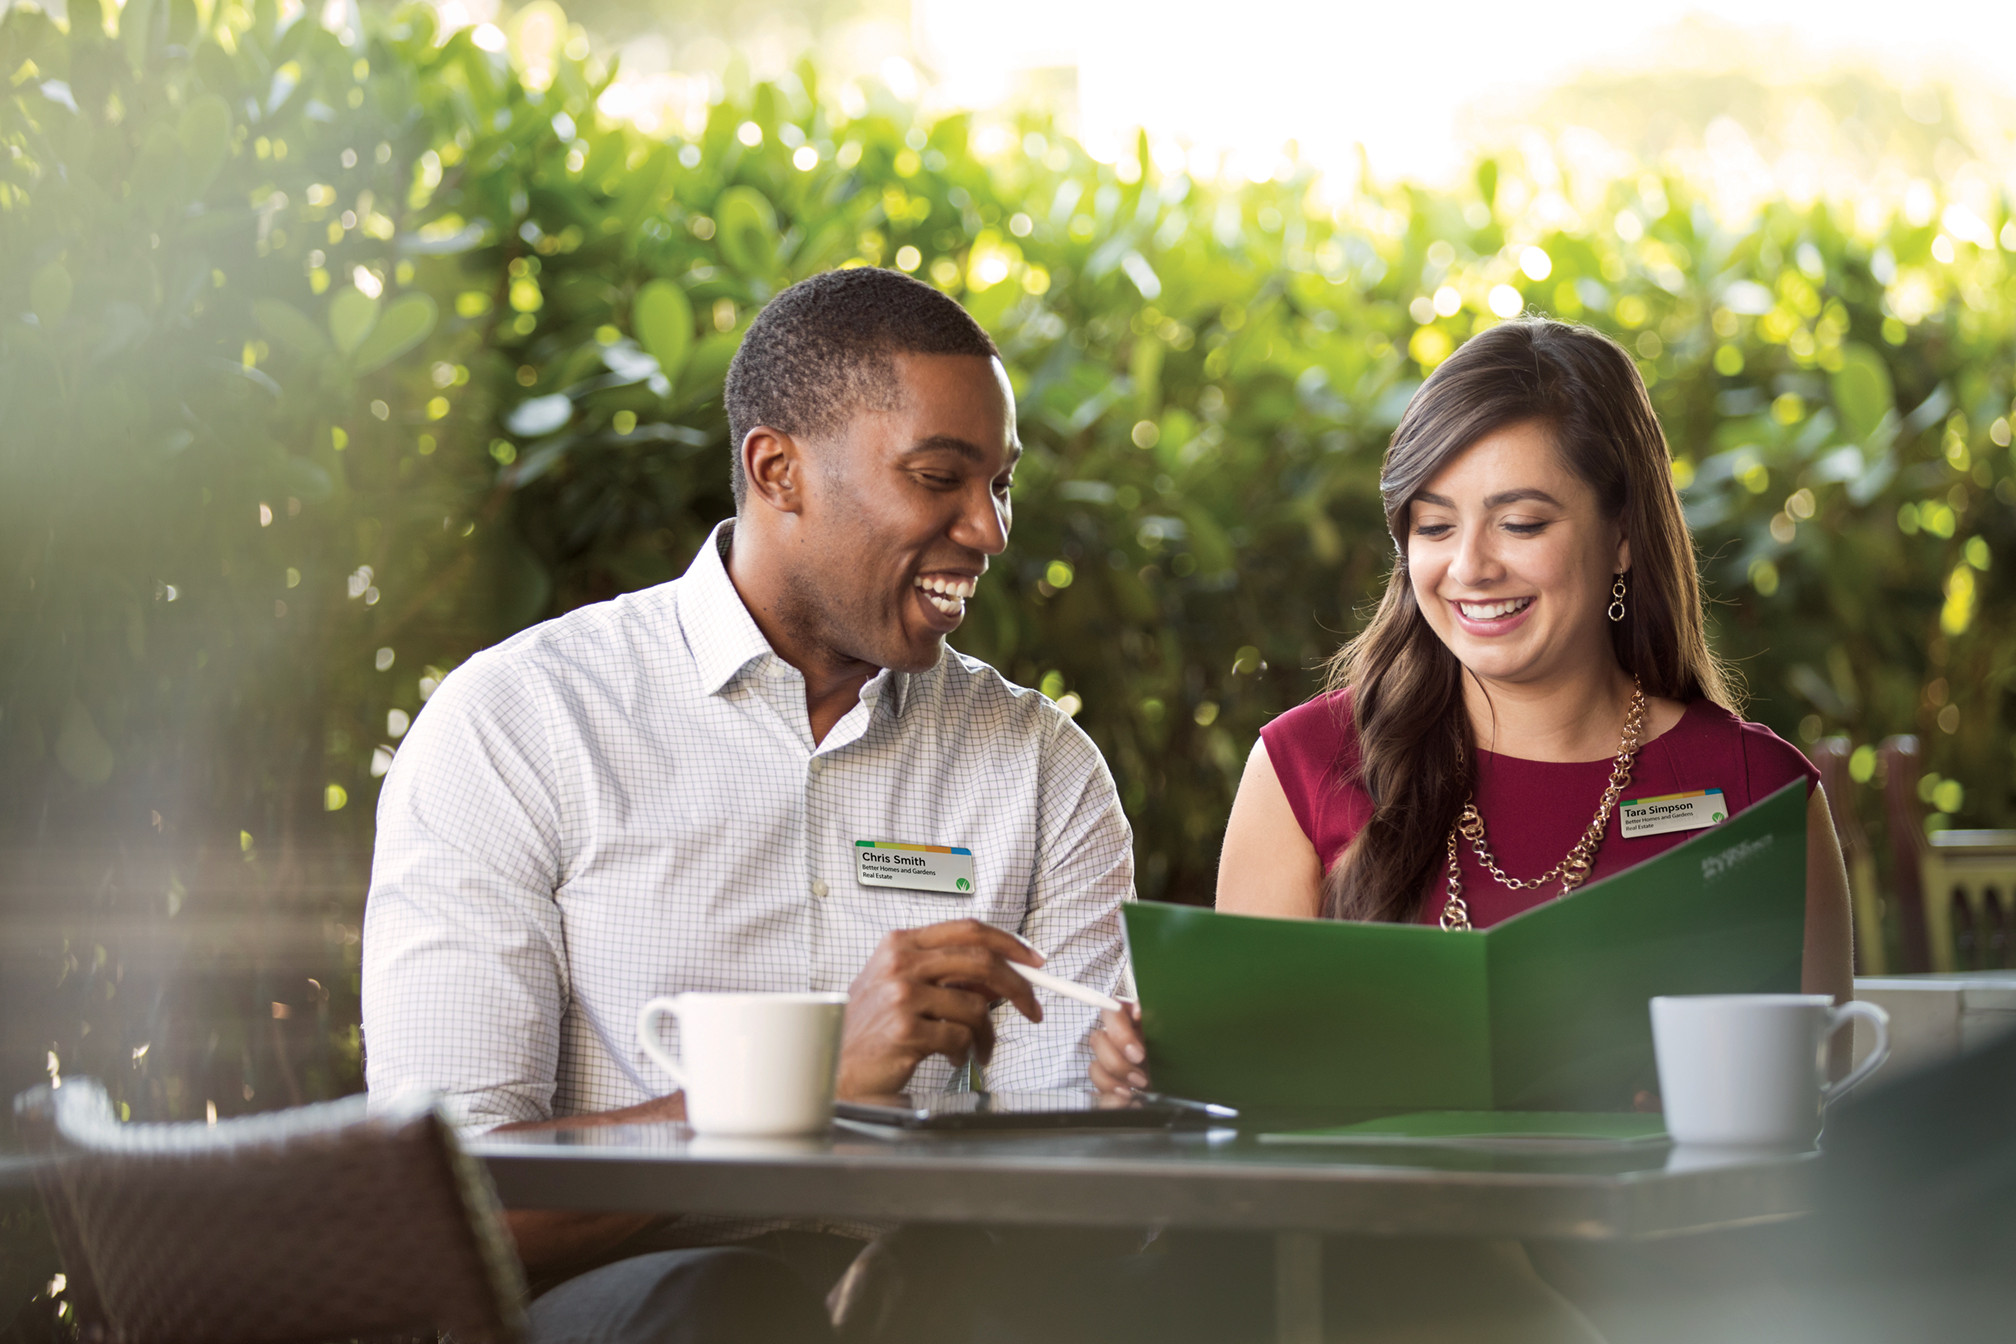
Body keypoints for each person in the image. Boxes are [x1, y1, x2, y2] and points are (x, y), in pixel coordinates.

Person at [362, 266, 1134, 1342]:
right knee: (727, 1307)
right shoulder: (520, 724)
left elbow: (1067, 1188)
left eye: (1000, 484)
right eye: (939, 477)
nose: (990, 531)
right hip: (640, 1300)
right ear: (779, 471)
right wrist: (796, 1095)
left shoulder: (1040, 770)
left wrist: (1130, 1104)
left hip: (922, 1298)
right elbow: (442, 1205)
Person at [1087, 317, 1854, 1344]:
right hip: (1357, 1279)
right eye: (1434, 525)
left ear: (1622, 531)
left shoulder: (1760, 791)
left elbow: (1814, 1128)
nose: (1469, 568)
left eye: (1522, 522)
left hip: (1667, 1289)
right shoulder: (1307, 767)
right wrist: (1159, 1071)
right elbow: (1241, 1134)